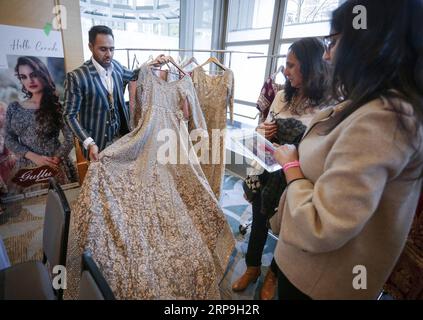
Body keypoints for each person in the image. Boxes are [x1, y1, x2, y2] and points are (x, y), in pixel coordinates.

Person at [271, 0, 423, 300]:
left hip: (319, 281)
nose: (328, 55)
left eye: (334, 42)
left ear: (369, 43)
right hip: (312, 270)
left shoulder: (386, 118)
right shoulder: (370, 105)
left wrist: (292, 168)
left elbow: (322, 225)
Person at [232, 37, 329, 300]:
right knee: (259, 221)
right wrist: (262, 130)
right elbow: (261, 131)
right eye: (286, 65)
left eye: (291, 65)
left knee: (287, 231)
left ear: (310, 67)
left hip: (295, 179)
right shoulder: (281, 97)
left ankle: (273, 274)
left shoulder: (326, 110)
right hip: (265, 172)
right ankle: (253, 267)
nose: (285, 71)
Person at [64, 25, 141, 161]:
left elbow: (135, 75)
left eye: (112, 49)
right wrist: (89, 142)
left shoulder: (117, 67)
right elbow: (69, 115)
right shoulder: (77, 77)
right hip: (96, 144)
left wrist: (153, 65)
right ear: (90, 46)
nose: (109, 54)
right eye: (103, 49)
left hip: (121, 138)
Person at [5, 56, 77, 191]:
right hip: (25, 168)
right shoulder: (14, 107)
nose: (30, 81)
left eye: (33, 75)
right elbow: (9, 138)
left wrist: (55, 158)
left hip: (53, 163)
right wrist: (32, 156)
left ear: (42, 74)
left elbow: (70, 137)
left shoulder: (58, 106)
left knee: (57, 205)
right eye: (23, 77)